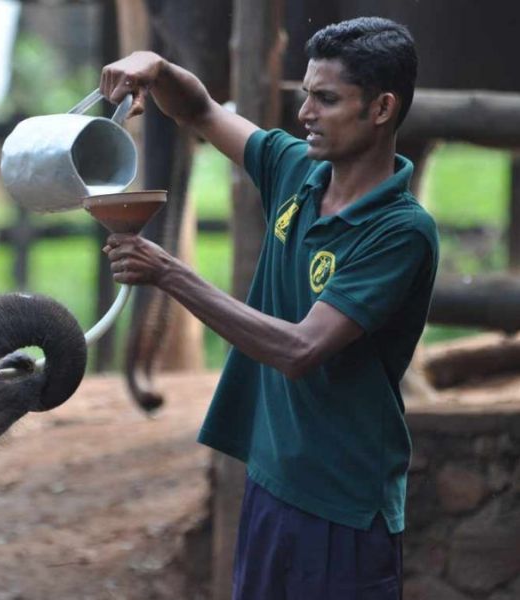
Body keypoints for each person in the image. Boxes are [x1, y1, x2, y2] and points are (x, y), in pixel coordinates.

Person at [99, 17, 438, 599]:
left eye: (326, 99)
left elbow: (300, 348)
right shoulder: (295, 171)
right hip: (270, 482)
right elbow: (202, 111)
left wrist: (171, 275)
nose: (305, 113)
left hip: (343, 506)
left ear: (381, 109)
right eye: (306, 93)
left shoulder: (399, 232)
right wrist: (155, 68)